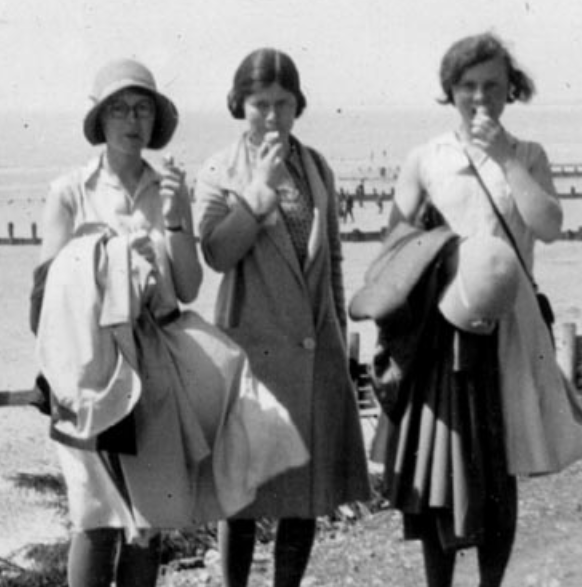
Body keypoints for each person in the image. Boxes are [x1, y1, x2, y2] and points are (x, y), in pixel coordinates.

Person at [34, 58, 307, 587]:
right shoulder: (70, 192)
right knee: (94, 514)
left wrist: (177, 217)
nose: (132, 120)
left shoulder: (167, 188)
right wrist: (109, 262)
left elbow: (187, 287)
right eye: (119, 109)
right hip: (89, 366)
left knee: (148, 520)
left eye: (142, 109)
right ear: (100, 118)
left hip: (154, 371)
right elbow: (46, 294)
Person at [360, 33, 582, 587]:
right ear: (450, 90)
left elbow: (549, 225)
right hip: (440, 326)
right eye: (467, 86)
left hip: (511, 326)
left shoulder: (528, 155)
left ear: (510, 90)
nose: (480, 98)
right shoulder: (426, 158)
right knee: (438, 457)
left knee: (501, 464)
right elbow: (393, 245)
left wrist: (504, 160)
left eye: (492, 86)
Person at [196, 48, 371, 587]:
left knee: (305, 495)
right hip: (253, 352)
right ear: (239, 105)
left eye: (283, 103)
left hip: (314, 348)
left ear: (298, 105)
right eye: (259, 104)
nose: (272, 116)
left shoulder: (316, 165)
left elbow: (332, 257)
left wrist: (339, 338)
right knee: (243, 495)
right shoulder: (219, 168)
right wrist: (259, 192)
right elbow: (216, 254)